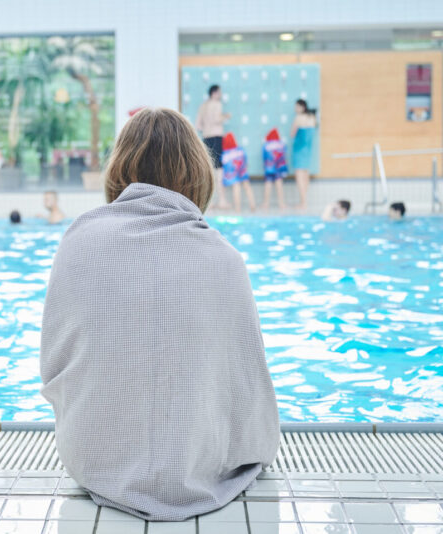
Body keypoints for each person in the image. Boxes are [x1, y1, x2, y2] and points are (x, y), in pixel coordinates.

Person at [40, 107, 279, 521]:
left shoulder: (77, 242)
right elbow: (248, 391)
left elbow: (54, 368)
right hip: (201, 470)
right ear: (198, 173)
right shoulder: (225, 259)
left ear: (118, 168)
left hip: (92, 461)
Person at [195, 84, 231, 209]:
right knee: (219, 169)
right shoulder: (217, 104)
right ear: (214, 93)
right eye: (219, 92)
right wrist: (225, 116)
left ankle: (210, 202)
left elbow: (198, 126)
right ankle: (222, 201)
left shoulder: (203, 106)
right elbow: (216, 119)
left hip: (206, 137)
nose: (220, 95)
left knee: (210, 169)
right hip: (216, 136)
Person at [290, 99, 317, 210]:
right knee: (305, 174)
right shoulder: (312, 118)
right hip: (308, 149)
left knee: (299, 176)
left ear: (302, 107)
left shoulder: (298, 118)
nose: (295, 109)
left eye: (296, 107)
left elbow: (292, 134)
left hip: (299, 149)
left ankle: (303, 202)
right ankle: (304, 201)